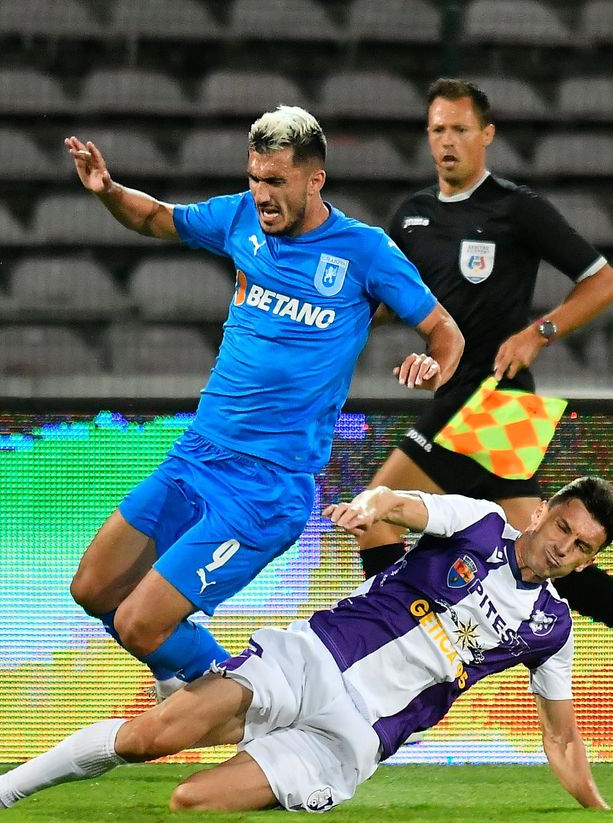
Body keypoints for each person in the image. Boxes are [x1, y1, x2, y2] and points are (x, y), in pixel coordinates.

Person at [357, 78, 613, 738]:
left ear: (486, 135)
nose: (447, 141)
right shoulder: (412, 215)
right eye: (437, 130)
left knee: (375, 514)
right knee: (542, 549)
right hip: (469, 401)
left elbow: (603, 282)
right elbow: (393, 297)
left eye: (460, 130)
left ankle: (392, 654)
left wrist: (539, 333)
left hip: (496, 398)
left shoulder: (516, 209)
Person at [0, 476, 613, 814]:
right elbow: (404, 505)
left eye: (580, 547)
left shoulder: (552, 630)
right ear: (542, 514)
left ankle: (204, 694)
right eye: (562, 527)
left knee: (190, 802)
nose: (562, 547)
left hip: (353, 740)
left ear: (588, 561)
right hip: (309, 659)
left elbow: (562, 740)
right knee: (147, 740)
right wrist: (373, 505)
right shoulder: (477, 525)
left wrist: (597, 811)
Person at [61, 107, 465, 698]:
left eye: (275, 181)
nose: (262, 194)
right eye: (255, 177)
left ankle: (259, 703)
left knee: (138, 622)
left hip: (266, 487)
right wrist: (108, 191)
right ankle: (190, 672)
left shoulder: (364, 251)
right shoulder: (239, 218)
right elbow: (155, 218)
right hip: (197, 456)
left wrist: (432, 364)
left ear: (314, 180)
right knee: (93, 589)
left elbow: (445, 331)